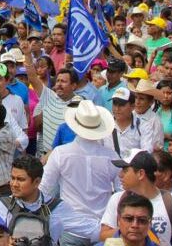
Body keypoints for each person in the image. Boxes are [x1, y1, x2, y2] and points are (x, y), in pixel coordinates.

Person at [41, 100, 120, 246]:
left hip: (71, 227)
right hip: (102, 226)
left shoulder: (60, 153)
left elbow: (44, 190)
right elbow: (121, 192)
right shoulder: (111, 156)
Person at [101, 150, 172, 246]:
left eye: (125, 170)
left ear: (141, 173)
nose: (120, 175)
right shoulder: (117, 199)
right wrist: (132, 230)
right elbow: (103, 235)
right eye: (128, 218)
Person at [0, 154, 68, 246]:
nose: (14, 184)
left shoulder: (57, 207)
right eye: (12, 178)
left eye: (20, 179)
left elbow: (88, 229)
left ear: (37, 182)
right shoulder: (2, 206)